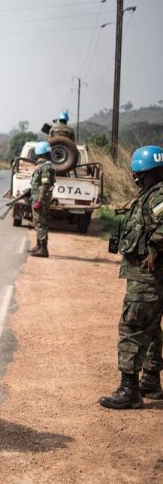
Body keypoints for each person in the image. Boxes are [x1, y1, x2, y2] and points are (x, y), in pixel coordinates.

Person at [100, 145, 163, 409]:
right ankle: (150, 382)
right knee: (151, 329)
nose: (135, 177)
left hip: (148, 277)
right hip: (148, 277)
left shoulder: (158, 196)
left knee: (133, 327)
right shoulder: (151, 194)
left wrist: (154, 251)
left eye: (138, 173)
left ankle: (130, 390)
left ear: (146, 173)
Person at [29, 142, 55, 258]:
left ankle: (43, 249)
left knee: (41, 224)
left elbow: (45, 185)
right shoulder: (43, 165)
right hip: (38, 198)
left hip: (41, 200)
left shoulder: (45, 166)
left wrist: (39, 201)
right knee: (37, 222)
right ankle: (38, 246)